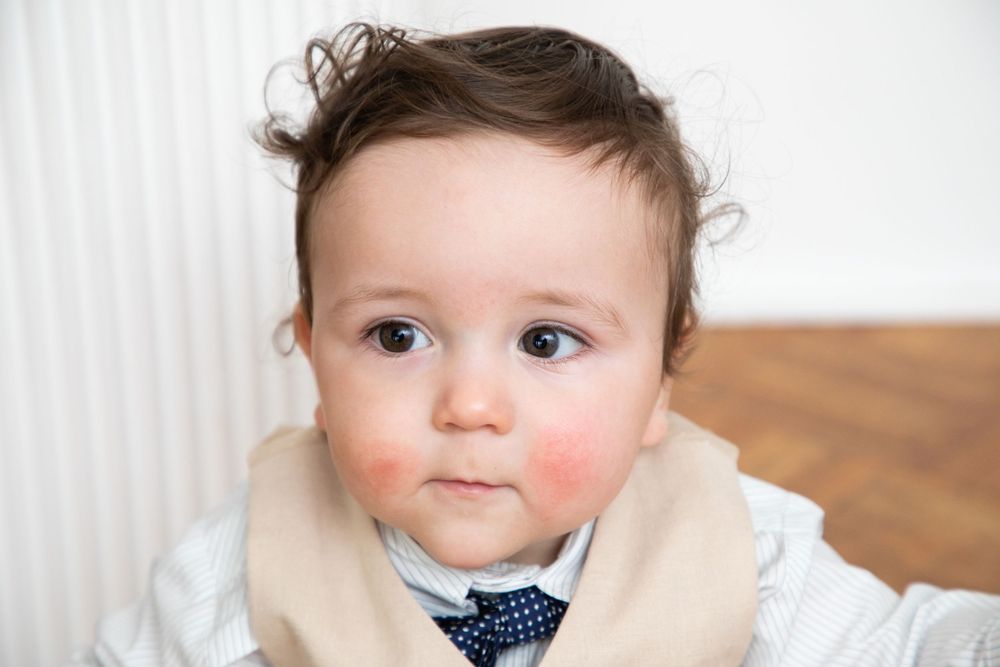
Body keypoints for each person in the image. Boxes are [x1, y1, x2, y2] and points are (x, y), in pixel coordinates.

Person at [68, 22, 1000, 667]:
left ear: (660, 382)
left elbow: (914, 648)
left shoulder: (742, 547)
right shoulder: (245, 558)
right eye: (398, 334)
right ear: (315, 354)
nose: (471, 404)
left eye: (547, 340)